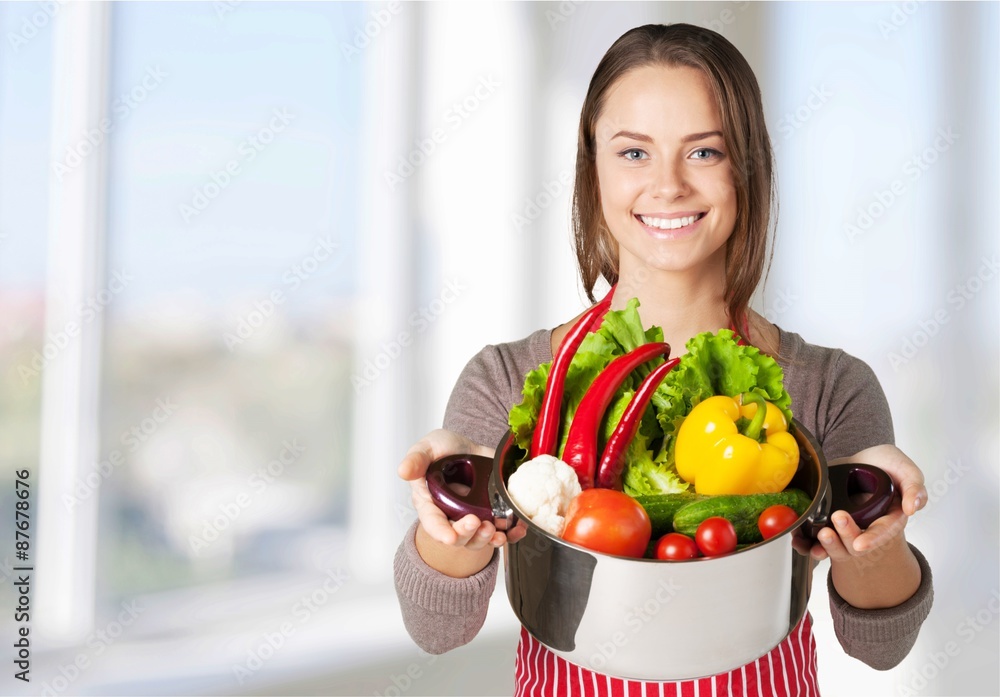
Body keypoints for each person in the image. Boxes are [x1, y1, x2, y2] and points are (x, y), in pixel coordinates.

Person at [394, 23, 933, 696]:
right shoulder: (505, 379)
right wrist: (454, 518)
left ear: (748, 169)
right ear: (592, 169)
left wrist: (879, 543)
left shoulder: (829, 387)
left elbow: (880, 643)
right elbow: (436, 628)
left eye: (704, 151)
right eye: (633, 153)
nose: (669, 184)